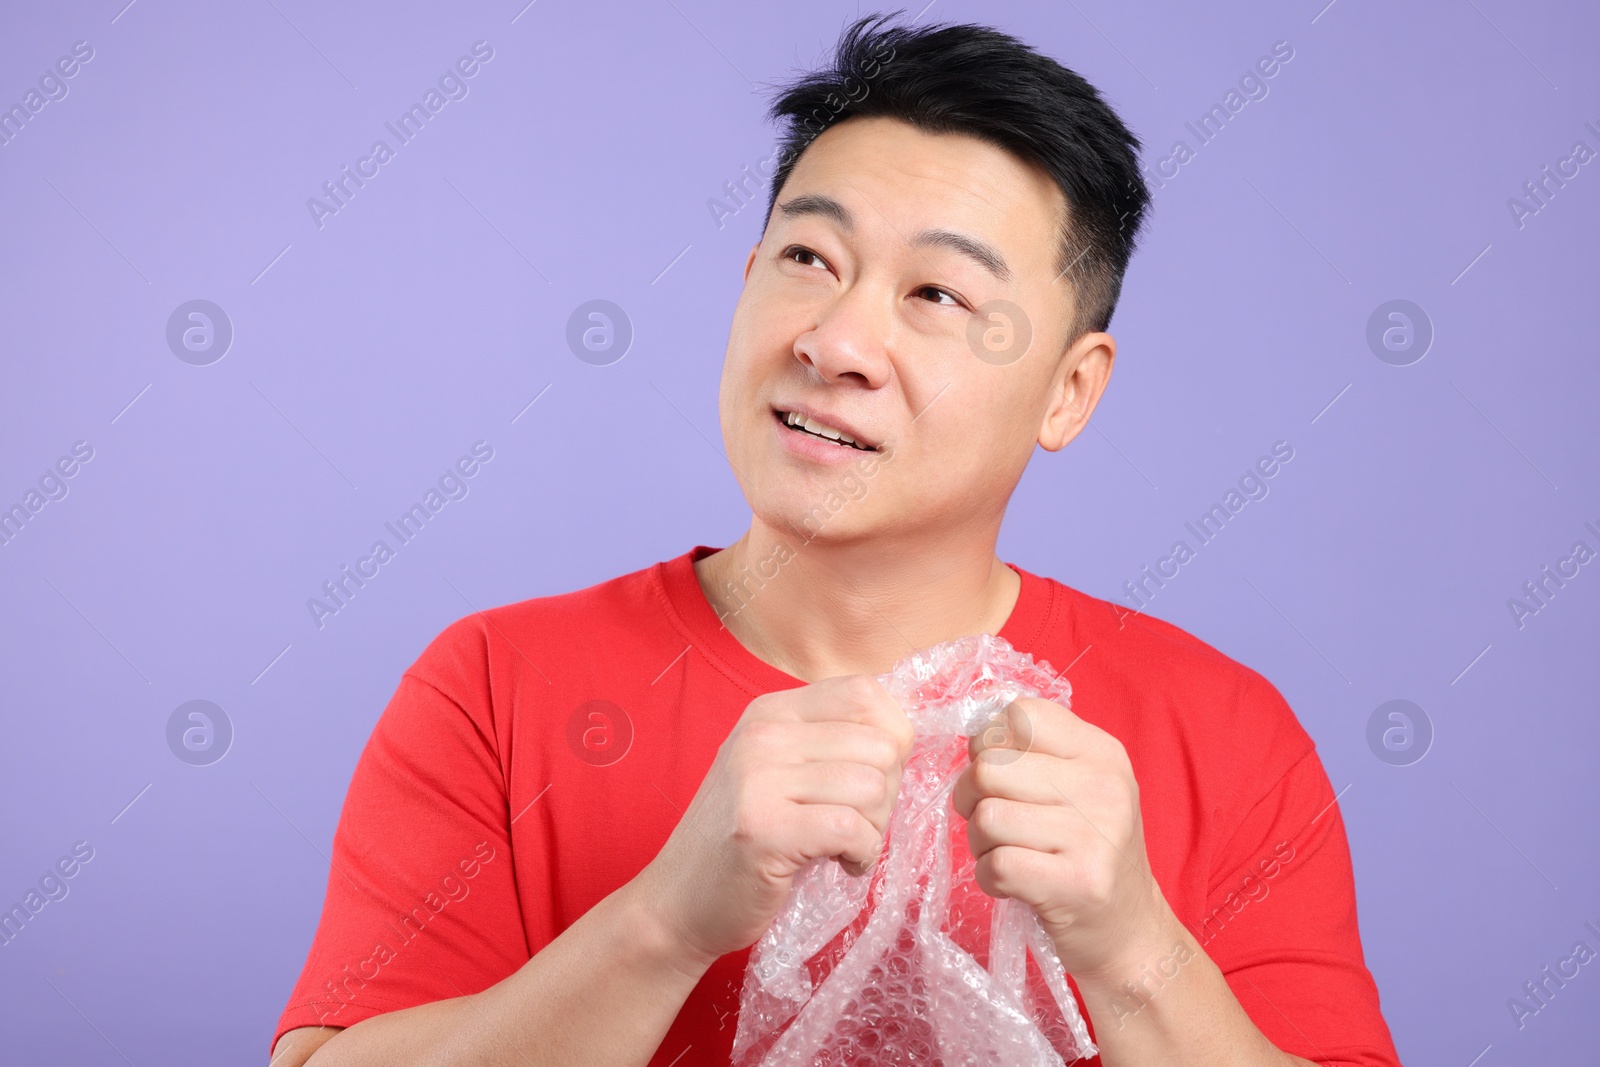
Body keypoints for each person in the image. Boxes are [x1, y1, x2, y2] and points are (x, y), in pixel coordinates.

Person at [270, 14, 1400, 1066]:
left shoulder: (1223, 732)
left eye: (939, 295)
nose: (839, 340)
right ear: (743, 280)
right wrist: (661, 923)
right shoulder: (496, 686)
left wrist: (1134, 949)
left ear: (1068, 391)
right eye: (808, 258)